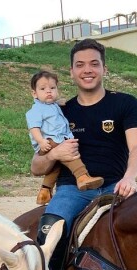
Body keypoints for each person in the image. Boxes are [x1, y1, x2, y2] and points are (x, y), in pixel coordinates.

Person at [30, 38, 137, 270]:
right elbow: (36, 167)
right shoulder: (60, 111)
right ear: (71, 72)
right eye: (80, 65)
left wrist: (130, 177)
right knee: (50, 228)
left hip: (115, 186)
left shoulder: (125, 103)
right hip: (73, 189)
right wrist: (55, 154)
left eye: (94, 64)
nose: (87, 70)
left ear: (104, 68)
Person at [26, 70, 103, 204]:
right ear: (34, 93)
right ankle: (82, 176)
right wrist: (41, 141)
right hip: (50, 141)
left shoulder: (51, 105)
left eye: (52, 88)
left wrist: (58, 102)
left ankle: (45, 191)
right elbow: (34, 127)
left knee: (56, 165)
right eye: (43, 89)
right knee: (69, 153)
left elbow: (54, 108)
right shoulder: (36, 110)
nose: (49, 91)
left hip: (54, 139)